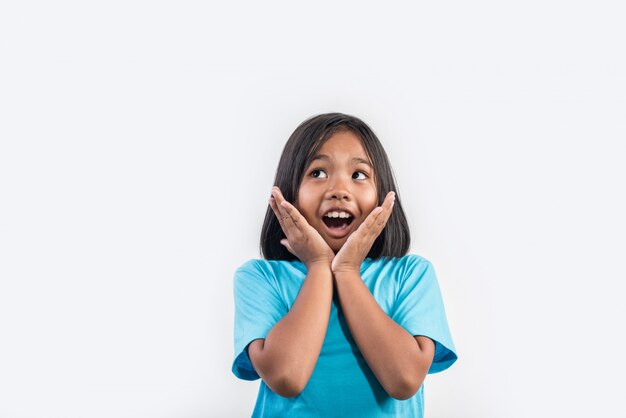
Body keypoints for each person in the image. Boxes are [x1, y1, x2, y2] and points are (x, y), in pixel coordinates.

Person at [232, 112, 458, 417]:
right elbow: (287, 376)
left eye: (358, 175)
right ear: (289, 193)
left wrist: (347, 270)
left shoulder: (411, 275)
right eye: (318, 173)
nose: (339, 189)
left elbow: (404, 380)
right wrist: (318, 265)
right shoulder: (260, 277)